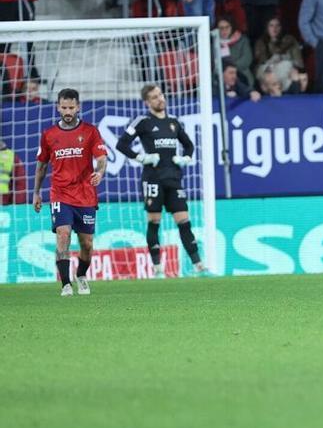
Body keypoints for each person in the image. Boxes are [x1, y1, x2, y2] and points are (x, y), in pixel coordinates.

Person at [115, 84, 206, 278]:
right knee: (154, 221)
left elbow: (189, 145)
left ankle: (199, 266)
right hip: (153, 179)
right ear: (147, 102)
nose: (160, 99)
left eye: (161, 95)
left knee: (184, 221)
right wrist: (141, 157)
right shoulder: (143, 121)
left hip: (173, 178)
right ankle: (158, 269)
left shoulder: (173, 122)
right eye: (155, 97)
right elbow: (121, 144)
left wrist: (186, 158)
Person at [32, 88, 108, 296]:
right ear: (58, 107)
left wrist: (100, 173)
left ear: (78, 107)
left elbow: (102, 159)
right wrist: (36, 192)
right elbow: (41, 166)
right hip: (60, 193)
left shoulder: (90, 131)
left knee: (87, 244)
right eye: (64, 107)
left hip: (85, 195)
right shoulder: (49, 135)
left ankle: (81, 275)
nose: (67, 111)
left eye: (71, 107)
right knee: (63, 234)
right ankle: (65, 284)